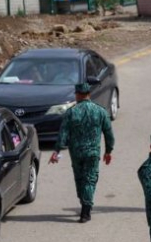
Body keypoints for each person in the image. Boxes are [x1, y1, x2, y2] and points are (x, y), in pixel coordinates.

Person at [49, 81, 115, 223]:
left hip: (77, 153)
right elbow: (109, 134)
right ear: (89, 94)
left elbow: (63, 133)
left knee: (80, 179)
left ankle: (84, 205)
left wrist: (57, 151)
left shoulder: (71, 112)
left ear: (78, 95)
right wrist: (108, 151)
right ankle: (86, 209)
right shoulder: (100, 111)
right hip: (92, 153)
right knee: (90, 180)